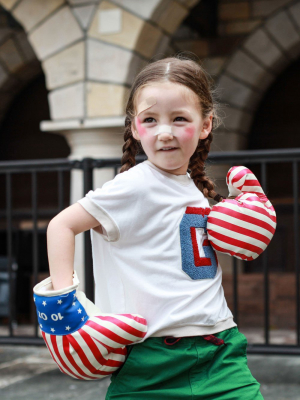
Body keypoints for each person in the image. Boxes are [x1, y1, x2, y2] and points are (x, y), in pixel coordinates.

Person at [47, 56, 264, 399]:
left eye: (180, 119)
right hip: (150, 361)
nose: (165, 132)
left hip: (220, 349)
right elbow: (61, 225)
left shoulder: (196, 187)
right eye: (150, 119)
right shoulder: (132, 185)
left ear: (206, 124)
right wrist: (63, 307)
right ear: (135, 128)